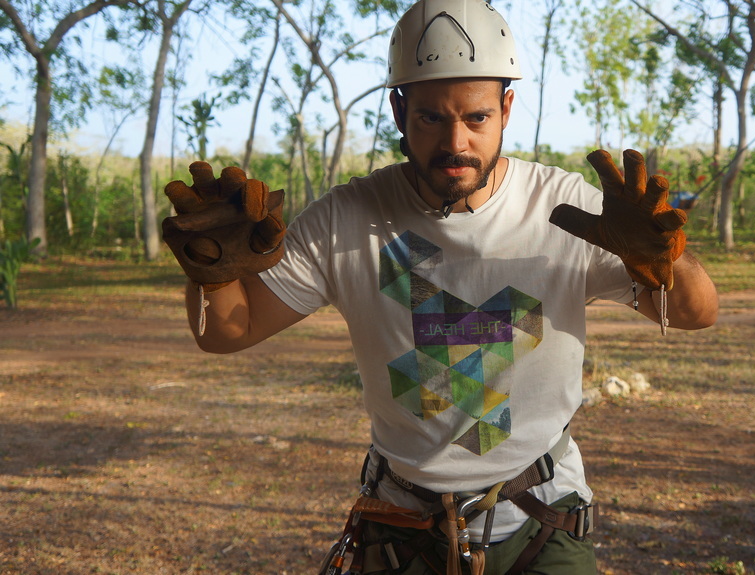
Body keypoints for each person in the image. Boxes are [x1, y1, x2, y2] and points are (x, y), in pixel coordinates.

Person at [161, 1, 718, 573]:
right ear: (399, 111)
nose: (456, 142)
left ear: (506, 108)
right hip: (402, 524)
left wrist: (664, 260)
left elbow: (698, 313)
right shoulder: (346, 218)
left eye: (477, 117)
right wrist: (215, 273)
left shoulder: (566, 208)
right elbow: (228, 332)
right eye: (431, 118)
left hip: (543, 518)